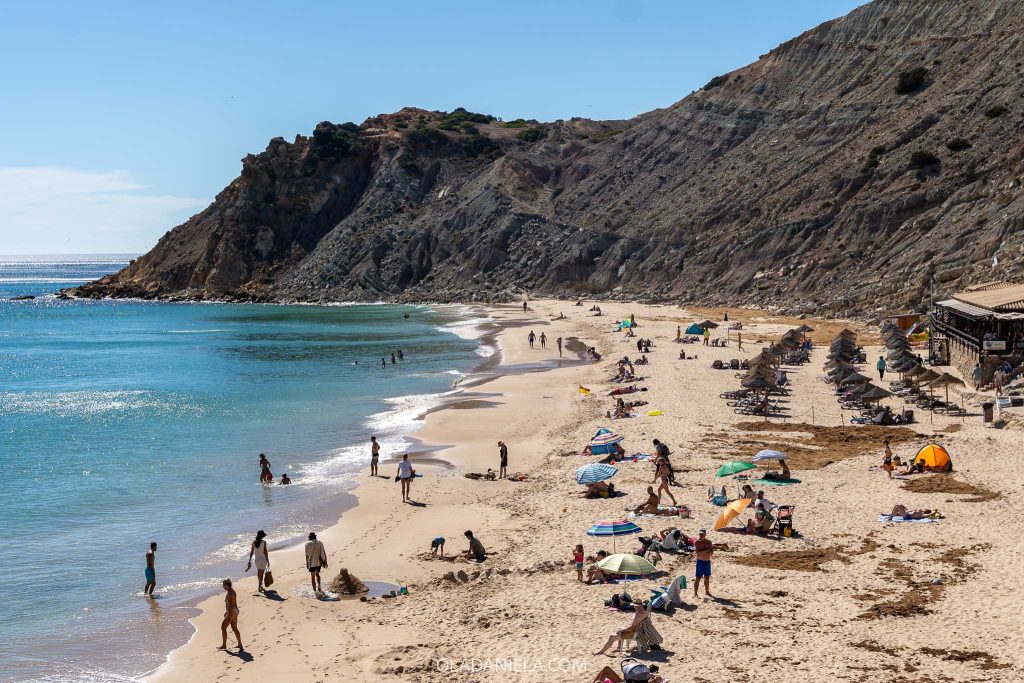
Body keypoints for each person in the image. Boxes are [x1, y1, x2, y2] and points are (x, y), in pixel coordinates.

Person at [218, 578, 242, 651]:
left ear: (227, 585)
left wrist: (229, 614)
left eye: (223, 585)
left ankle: (224, 645)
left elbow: (231, 605)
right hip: (235, 611)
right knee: (234, 628)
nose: (223, 587)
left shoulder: (230, 593)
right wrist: (227, 611)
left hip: (232, 612)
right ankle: (240, 644)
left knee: (223, 627)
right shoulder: (231, 591)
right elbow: (233, 604)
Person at [304, 532, 328, 596]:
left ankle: (315, 592)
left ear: (309, 537)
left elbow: (307, 555)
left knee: (312, 577)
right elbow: (323, 552)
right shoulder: (320, 542)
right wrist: (325, 561)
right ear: (315, 536)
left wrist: (307, 563)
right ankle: (319, 587)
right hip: (319, 562)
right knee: (317, 574)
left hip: (311, 563)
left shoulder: (307, 544)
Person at [693, 529, 713, 597]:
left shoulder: (709, 542)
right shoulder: (697, 542)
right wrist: (706, 550)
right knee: (698, 578)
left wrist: (705, 551)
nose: (701, 535)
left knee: (707, 577)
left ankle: (707, 592)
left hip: (707, 561)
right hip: (700, 562)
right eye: (700, 534)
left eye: (702, 534)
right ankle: (695, 593)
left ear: (705, 534)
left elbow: (711, 552)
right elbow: (698, 553)